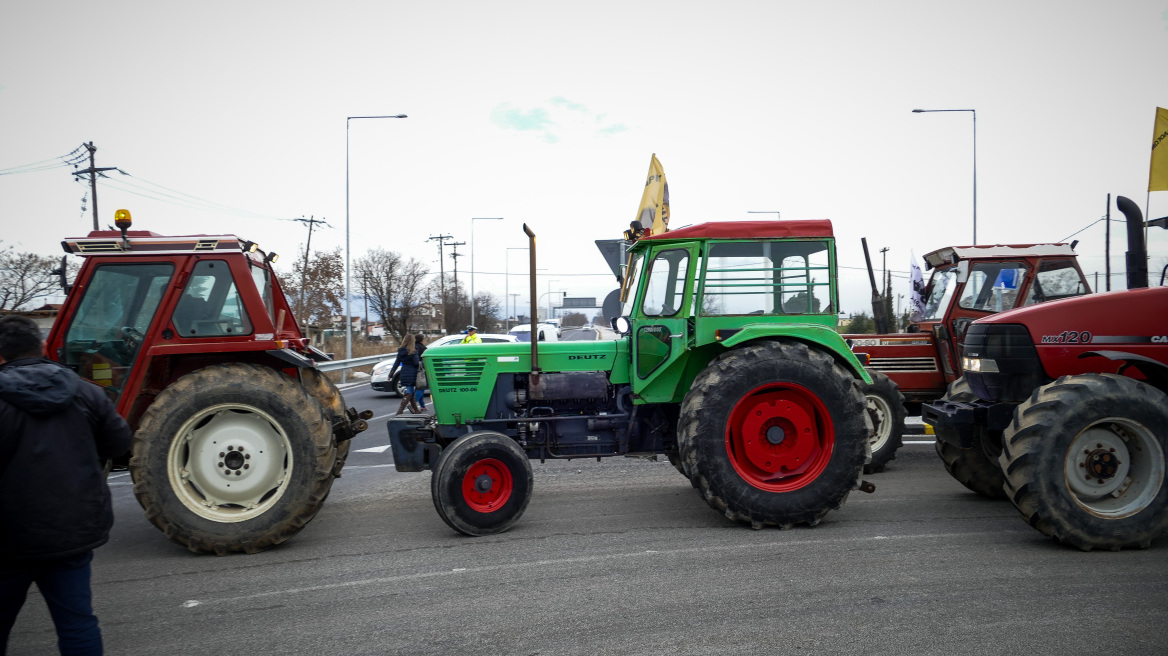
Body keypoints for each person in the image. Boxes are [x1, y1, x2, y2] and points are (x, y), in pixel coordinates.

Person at [0, 315, 132, 655]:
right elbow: (119, 444)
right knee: (77, 624)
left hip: (9, 538)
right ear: (44, 346)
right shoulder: (88, 392)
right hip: (72, 531)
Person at [388, 333, 422, 415]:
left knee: (411, 392)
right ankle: (400, 411)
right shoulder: (413, 351)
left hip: (404, 373)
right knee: (409, 392)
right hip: (412, 373)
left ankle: (416, 410)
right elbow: (416, 363)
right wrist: (422, 362)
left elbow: (396, 364)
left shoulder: (401, 351)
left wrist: (390, 375)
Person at [413, 334, 428, 412]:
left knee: (418, 387)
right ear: (422, 340)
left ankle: (422, 406)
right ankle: (413, 403)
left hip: (412, 370)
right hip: (421, 372)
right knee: (421, 387)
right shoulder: (423, 348)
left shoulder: (412, 347)